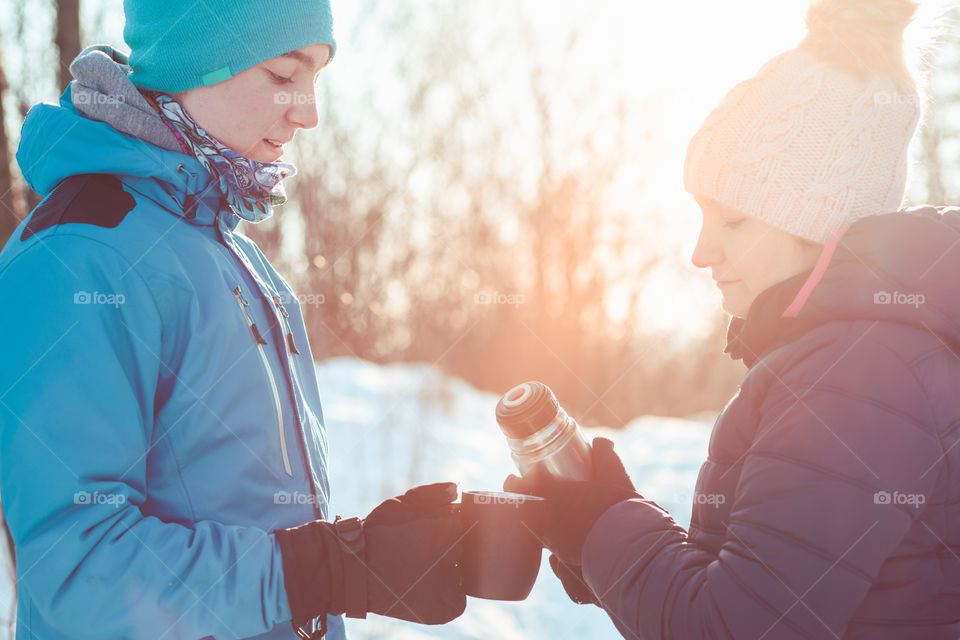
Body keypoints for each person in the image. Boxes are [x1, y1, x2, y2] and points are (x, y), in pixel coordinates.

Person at [0, 2, 465, 639]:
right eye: (282, 74)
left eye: (316, 79)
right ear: (193, 64)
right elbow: (77, 572)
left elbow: (238, 506)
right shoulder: (79, 255)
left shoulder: (228, 252)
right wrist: (320, 572)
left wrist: (361, 550)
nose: (310, 112)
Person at [507, 0, 960, 637]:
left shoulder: (854, 378)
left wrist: (601, 521)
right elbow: (751, 591)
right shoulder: (863, 355)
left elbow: (730, 627)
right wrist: (604, 531)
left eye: (733, 219)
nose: (700, 252)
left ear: (819, 220)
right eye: (700, 215)